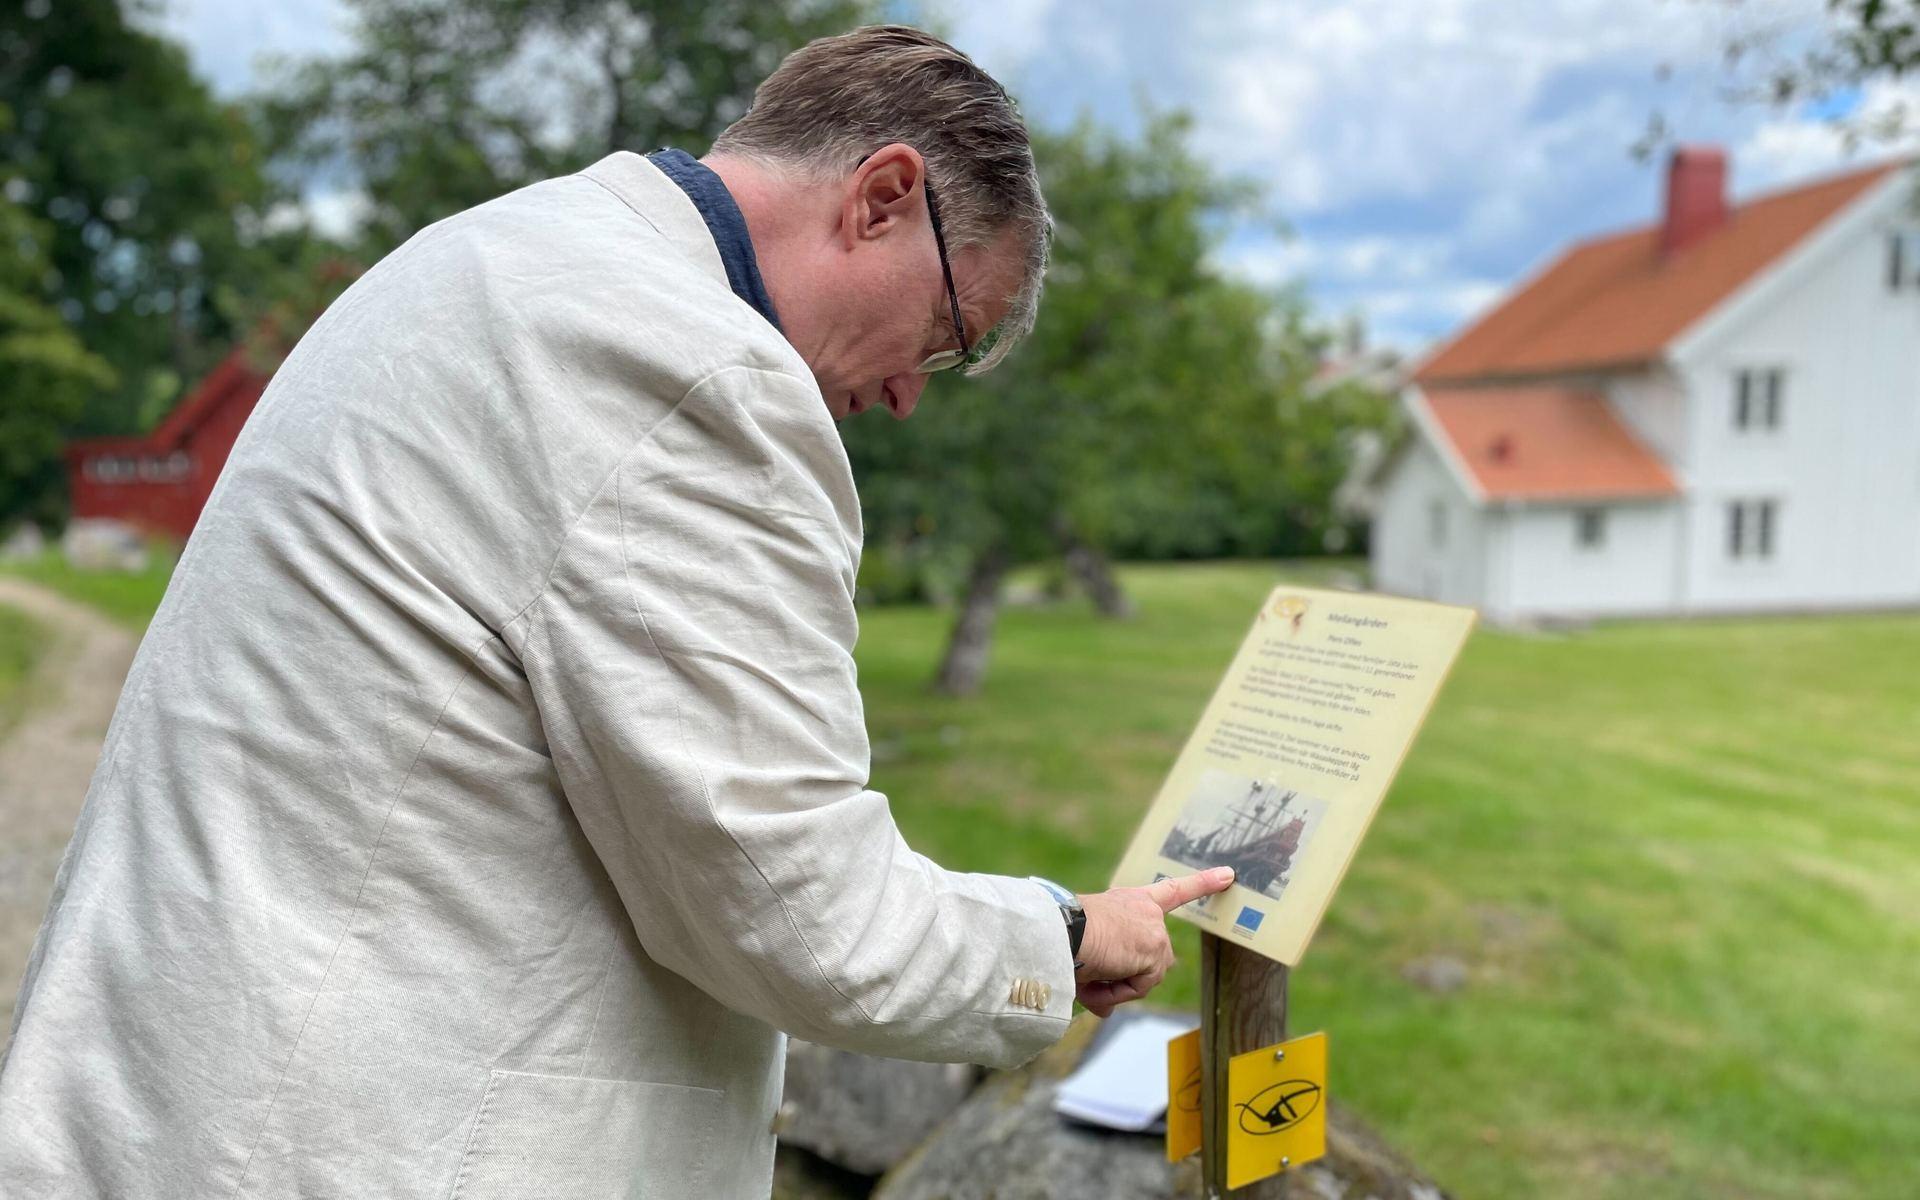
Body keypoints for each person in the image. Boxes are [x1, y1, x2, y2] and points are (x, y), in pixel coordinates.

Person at [0, 24, 1233, 1198]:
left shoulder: (501, 253)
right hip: (342, 1143)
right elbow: (803, 910)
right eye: (950, 333)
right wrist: (1063, 937)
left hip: (201, 1092)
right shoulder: (694, 370)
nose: (914, 392)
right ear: (881, 198)